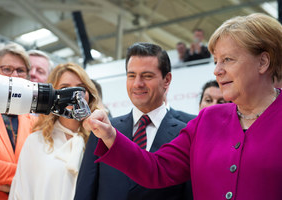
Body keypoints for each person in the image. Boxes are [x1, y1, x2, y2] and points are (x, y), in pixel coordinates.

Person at [82, 13, 282, 200]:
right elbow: (157, 170)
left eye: (228, 60)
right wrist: (110, 136)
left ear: (263, 62)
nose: (217, 71)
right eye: (215, 61)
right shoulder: (207, 120)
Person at [74, 43, 193, 200]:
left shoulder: (186, 134)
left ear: (167, 80)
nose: (137, 83)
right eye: (131, 75)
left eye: (147, 76)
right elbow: (85, 191)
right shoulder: (103, 130)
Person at [8, 63, 100, 200]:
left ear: (89, 94)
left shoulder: (100, 140)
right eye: (64, 88)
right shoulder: (36, 142)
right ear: (52, 96)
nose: (74, 95)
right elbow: (21, 193)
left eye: (81, 88)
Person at [0, 42, 36, 200]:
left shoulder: (34, 122)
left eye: (20, 70)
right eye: (7, 69)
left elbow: (42, 170)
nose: (14, 76)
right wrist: (26, 177)